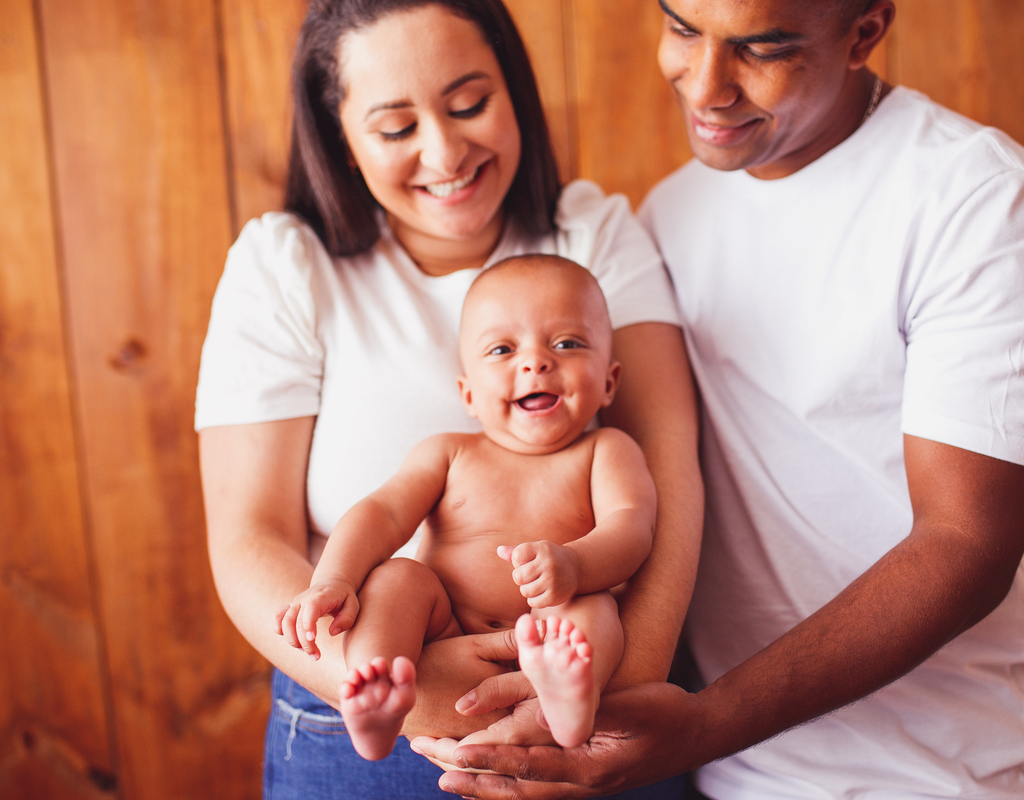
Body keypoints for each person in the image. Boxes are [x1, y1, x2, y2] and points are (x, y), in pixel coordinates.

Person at [414, 1, 1024, 798]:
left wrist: (703, 722)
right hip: (726, 775)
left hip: (938, 773)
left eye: (761, 48)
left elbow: (965, 545)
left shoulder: (984, 203)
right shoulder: (668, 216)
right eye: (681, 28)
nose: (705, 87)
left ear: (866, 31)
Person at [195, 0, 703, 798]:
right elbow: (247, 540)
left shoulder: (591, 233)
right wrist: (405, 689)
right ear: (341, 140)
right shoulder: (286, 263)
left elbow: (664, 489)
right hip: (357, 698)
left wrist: (602, 696)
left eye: (470, 104)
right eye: (396, 128)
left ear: (515, 92)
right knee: (394, 582)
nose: (445, 150)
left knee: (590, 610)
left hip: (594, 697)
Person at [275, 256, 656, 758]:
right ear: (468, 393)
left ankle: (569, 693)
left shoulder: (607, 450)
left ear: (609, 381)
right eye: (503, 349)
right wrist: (335, 578)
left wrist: (576, 564)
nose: (536, 361)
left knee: (594, 605)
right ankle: (378, 687)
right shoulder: (449, 453)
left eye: (567, 343)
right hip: (443, 624)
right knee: (394, 579)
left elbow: (632, 527)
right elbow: (383, 513)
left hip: (552, 630)